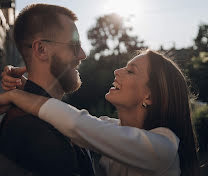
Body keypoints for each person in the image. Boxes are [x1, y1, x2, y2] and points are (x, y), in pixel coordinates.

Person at [0, 49, 199, 176]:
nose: (117, 71)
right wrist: (27, 86)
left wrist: (16, 97)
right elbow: (65, 118)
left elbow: (76, 124)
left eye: (131, 71)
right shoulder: (111, 129)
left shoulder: (163, 148)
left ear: (150, 97)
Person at [0, 3, 95, 176]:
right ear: (42, 50)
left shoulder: (41, 117)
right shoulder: (35, 130)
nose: (82, 54)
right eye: (74, 45)